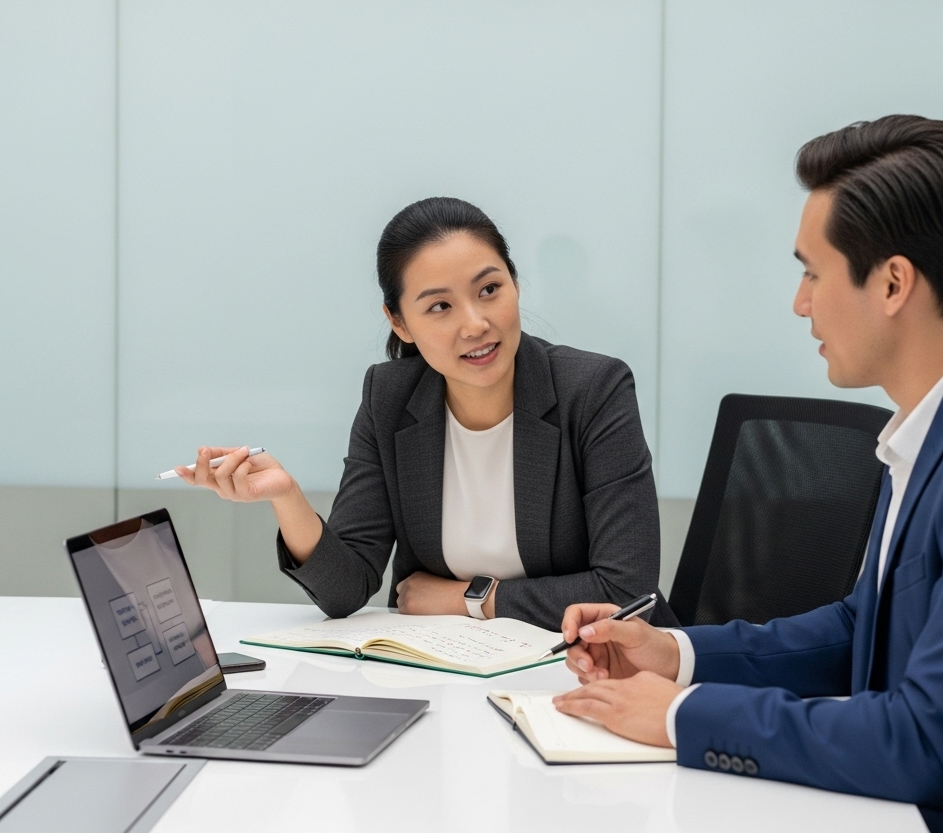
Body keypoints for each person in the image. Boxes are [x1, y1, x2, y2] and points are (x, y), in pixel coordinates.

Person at [552, 116, 943, 831]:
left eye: (812, 271)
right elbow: (865, 625)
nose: (800, 301)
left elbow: (929, 744)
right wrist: (677, 654)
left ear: (893, 283)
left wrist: (682, 716)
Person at [178, 196, 675, 630]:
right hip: (450, 672)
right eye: (440, 307)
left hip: (586, 666)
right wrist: (286, 499)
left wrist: (472, 599)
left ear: (516, 285)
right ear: (399, 322)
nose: (476, 324)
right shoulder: (389, 398)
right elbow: (346, 589)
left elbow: (625, 590)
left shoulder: (592, 390)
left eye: (489, 290)